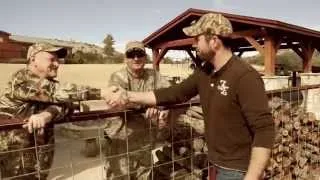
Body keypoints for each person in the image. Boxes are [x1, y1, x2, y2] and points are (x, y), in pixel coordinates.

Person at [107, 13, 275, 180]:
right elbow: (174, 93)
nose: (194, 44)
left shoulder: (244, 76)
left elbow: (264, 129)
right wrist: (127, 95)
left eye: (197, 39)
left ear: (214, 41)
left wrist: (252, 177)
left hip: (237, 170)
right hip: (214, 164)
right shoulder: (204, 72)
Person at [0, 42, 108, 179]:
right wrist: (102, 92)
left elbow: (67, 104)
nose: (57, 64)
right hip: (14, 156)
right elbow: (57, 93)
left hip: (39, 155)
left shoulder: (50, 83)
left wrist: (48, 114)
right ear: (33, 59)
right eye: (52, 59)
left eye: (58, 60)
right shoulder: (21, 79)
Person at [104, 40, 171, 179]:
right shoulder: (118, 77)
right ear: (125, 59)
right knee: (120, 176)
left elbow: (169, 93)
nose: (136, 58)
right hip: (121, 139)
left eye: (140, 54)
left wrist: (158, 106)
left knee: (144, 175)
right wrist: (148, 104)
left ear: (145, 57)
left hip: (145, 138)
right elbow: (120, 101)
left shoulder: (154, 75)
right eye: (131, 55)